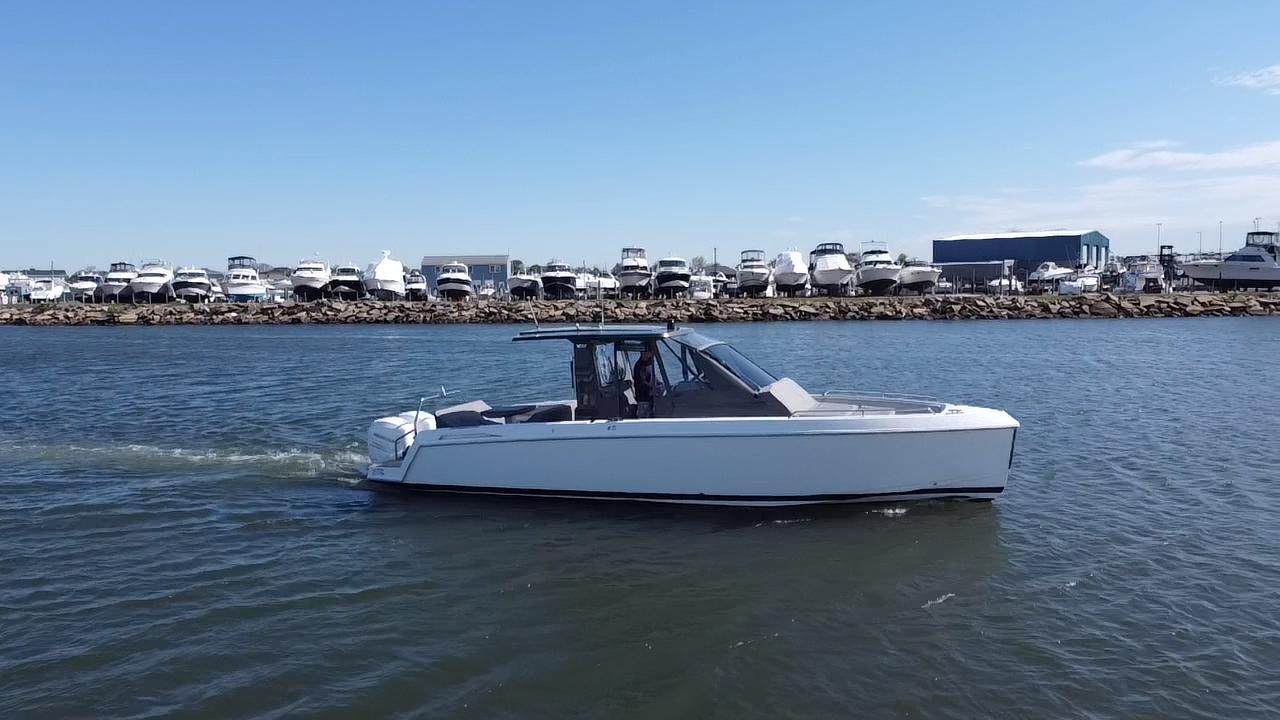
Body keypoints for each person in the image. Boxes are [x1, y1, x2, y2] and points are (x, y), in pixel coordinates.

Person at [633, 349, 655, 418]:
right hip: (643, 399)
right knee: (644, 418)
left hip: (650, 398)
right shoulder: (640, 366)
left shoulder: (649, 363)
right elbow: (642, 383)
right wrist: (652, 388)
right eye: (650, 351)